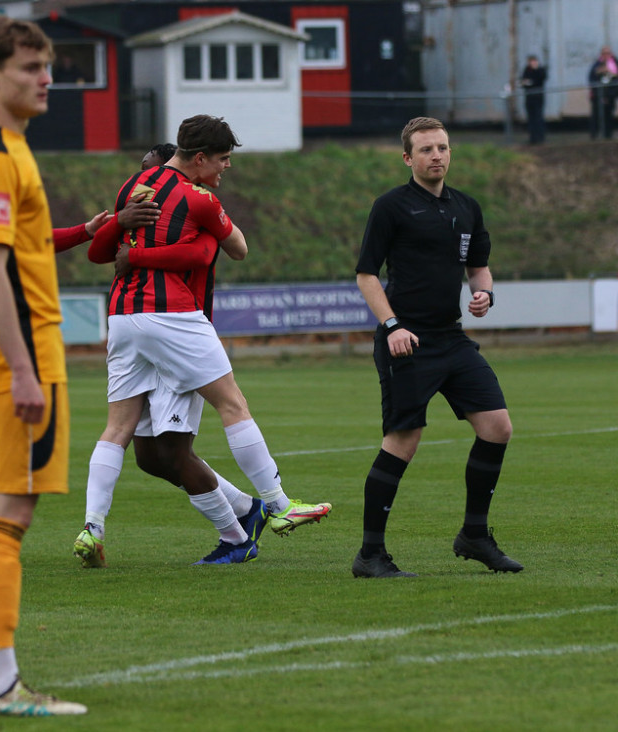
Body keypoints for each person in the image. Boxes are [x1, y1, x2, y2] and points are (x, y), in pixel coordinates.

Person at [74, 115, 332, 568]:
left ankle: (93, 526)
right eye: (223, 160)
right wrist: (212, 223)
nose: (225, 168)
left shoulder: (134, 185)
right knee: (232, 405)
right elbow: (237, 248)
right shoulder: (200, 198)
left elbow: (102, 252)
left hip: (122, 316)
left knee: (120, 430)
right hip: (174, 315)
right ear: (199, 158)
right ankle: (277, 505)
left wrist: (133, 252)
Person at [0, 15, 87, 716]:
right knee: (7, 515)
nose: (45, 78)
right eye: (32, 66)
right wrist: (25, 370)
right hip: (18, 364)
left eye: (48, 65)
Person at [352, 116, 523, 579]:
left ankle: (474, 535)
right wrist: (391, 326)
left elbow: (478, 266)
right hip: (406, 340)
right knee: (402, 443)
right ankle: (370, 555)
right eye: (426, 150)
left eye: (443, 148)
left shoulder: (467, 207)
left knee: (497, 427)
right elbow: (366, 274)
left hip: (451, 338)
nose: (437, 156)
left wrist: (483, 292)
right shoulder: (390, 207)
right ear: (408, 158)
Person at [588, 46, 617, 140]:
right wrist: (598, 71)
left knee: (609, 115)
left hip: (610, 94)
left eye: (608, 53)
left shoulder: (615, 63)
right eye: (604, 53)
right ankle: (594, 135)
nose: (606, 56)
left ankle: (608, 135)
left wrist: (611, 73)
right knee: (596, 115)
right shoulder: (597, 64)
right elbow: (591, 77)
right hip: (598, 95)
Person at [519, 55, 547, 145]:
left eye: (534, 61)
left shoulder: (540, 70)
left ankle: (540, 137)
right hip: (529, 98)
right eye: (531, 61)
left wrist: (531, 81)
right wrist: (527, 82)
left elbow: (541, 78)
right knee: (531, 119)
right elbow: (523, 82)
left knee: (539, 118)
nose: (533, 63)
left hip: (538, 97)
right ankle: (533, 138)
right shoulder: (527, 70)